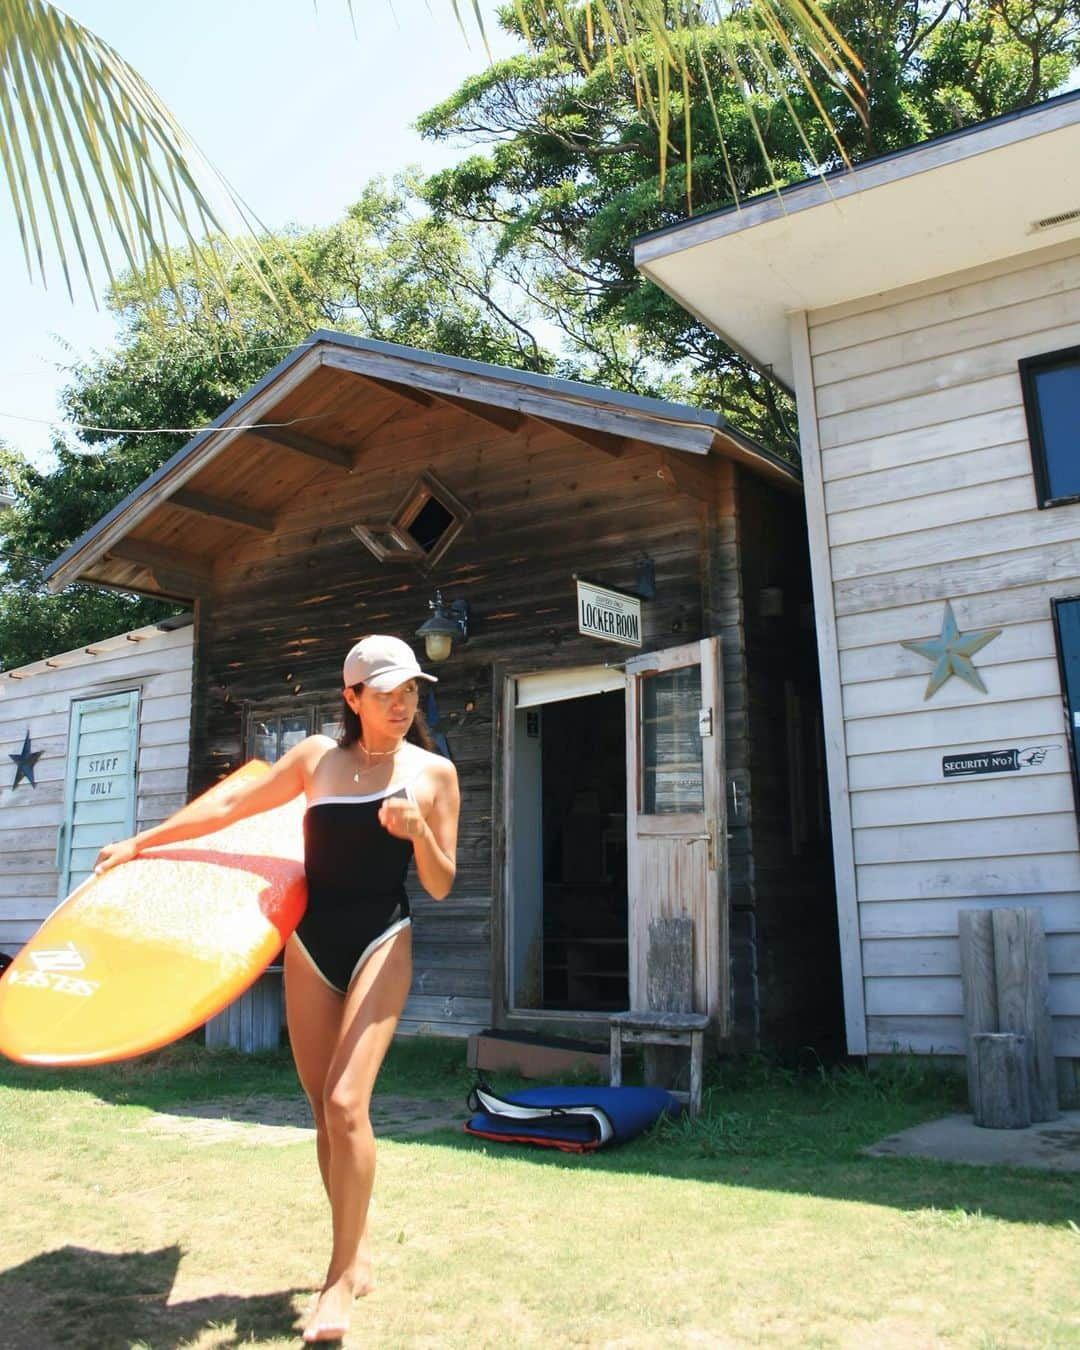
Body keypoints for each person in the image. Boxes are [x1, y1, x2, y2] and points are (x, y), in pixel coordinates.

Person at [94, 635, 460, 1343]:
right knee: (323, 1113)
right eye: (385, 691)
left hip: (384, 939)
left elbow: (441, 885)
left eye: (409, 689)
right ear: (352, 697)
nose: (401, 702)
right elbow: (226, 810)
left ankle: (336, 1281)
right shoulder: (315, 760)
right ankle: (356, 1255)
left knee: (350, 1102)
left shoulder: (433, 772)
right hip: (310, 944)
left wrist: (418, 832)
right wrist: (144, 842)